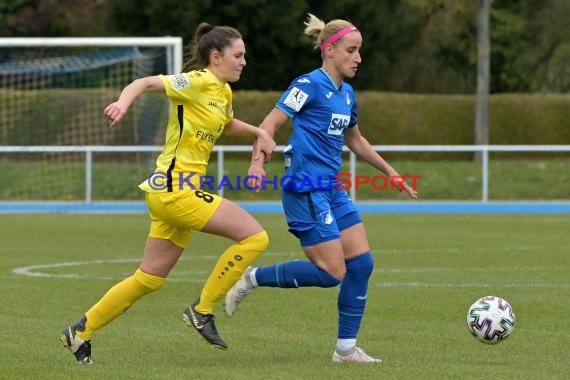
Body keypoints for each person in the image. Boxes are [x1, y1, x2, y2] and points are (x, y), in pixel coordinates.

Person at [60, 22, 275, 363]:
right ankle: (202, 311)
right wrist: (122, 102)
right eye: (238, 55)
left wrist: (258, 133)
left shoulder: (223, 92)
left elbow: (225, 123)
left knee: (149, 278)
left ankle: (80, 331)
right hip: (176, 192)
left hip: (169, 194)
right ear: (216, 57)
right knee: (255, 238)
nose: (244, 61)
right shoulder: (197, 81)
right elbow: (144, 82)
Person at [224, 13, 417, 364]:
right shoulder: (307, 85)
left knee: (362, 265)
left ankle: (345, 350)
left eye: (359, 51)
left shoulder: (347, 94)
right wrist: (256, 163)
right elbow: (270, 124)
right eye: (351, 50)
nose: (358, 58)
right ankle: (252, 277)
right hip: (305, 188)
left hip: (332, 188)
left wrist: (391, 172)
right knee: (332, 273)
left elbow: (356, 140)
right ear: (329, 50)